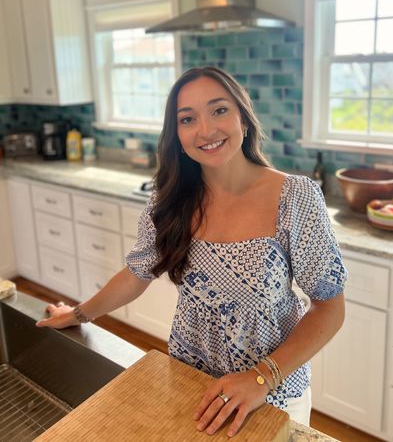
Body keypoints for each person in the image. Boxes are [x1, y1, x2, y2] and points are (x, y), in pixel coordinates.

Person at [36, 66, 347, 437]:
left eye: (219, 110)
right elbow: (137, 274)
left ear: (243, 120)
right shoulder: (170, 201)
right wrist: (80, 314)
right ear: (177, 135)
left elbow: (329, 307)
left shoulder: (295, 197)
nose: (205, 130)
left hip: (273, 391)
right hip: (191, 382)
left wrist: (259, 379)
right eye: (188, 118)